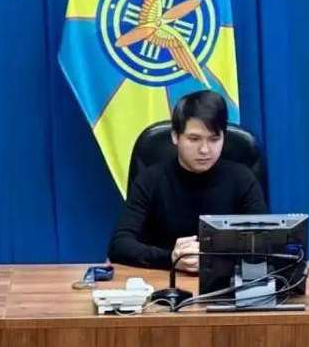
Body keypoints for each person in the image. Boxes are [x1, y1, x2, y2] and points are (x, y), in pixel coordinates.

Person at [108, 90, 267, 272]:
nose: (205, 150)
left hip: (227, 285)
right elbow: (119, 246)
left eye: (214, 139)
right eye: (194, 139)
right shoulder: (150, 180)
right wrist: (171, 259)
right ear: (175, 136)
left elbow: (264, 245)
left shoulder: (243, 178)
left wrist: (212, 259)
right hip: (163, 286)